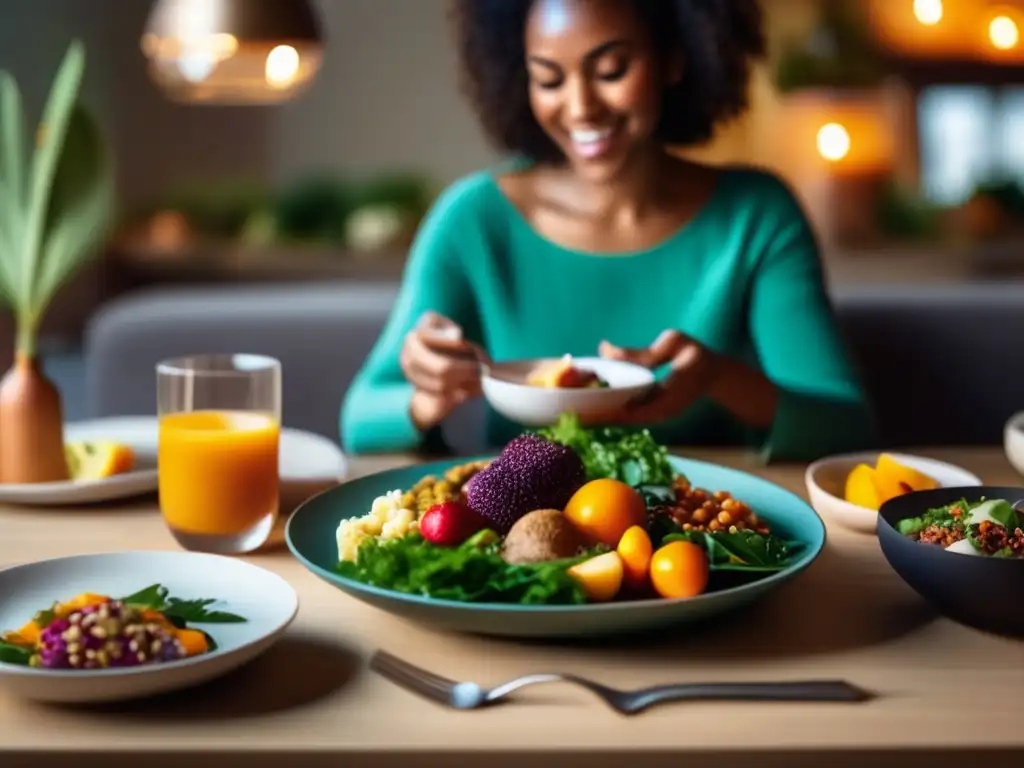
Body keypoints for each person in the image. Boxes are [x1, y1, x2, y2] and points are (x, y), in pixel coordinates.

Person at [341, 0, 876, 460]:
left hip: (702, 543)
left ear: (674, 57)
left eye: (612, 69)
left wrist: (716, 378)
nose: (580, 108)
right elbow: (361, 418)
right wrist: (427, 396)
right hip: (523, 543)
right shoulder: (473, 220)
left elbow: (846, 426)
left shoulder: (755, 215)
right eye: (548, 78)